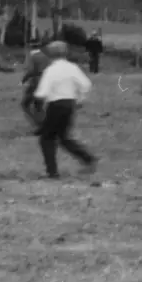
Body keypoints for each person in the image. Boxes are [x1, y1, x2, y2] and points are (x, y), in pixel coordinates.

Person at [32, 41, 98, 179]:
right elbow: (86, 85)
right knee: (63, 137)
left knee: (47, 138)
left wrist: (37, 104)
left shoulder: (51, 70)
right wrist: (80, 99)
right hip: (70, 104)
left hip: (55, 105)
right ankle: (88, 159)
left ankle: (52, 172)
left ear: (50, 54)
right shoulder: (72, 67)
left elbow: (42, 92)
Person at [21, 47, 52, 132]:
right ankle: (44, 123)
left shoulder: (33, 57)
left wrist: (24, 80)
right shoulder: (46, 57)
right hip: (45, 82)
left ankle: (38, 123)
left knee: (25, 104)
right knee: (39, 105)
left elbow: (31, 70)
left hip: (35, 83)